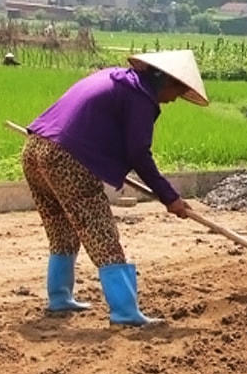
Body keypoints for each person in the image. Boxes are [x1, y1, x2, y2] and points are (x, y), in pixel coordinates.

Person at [22, 50, 208, 326]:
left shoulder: (115, 78)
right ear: (166, 82)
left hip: (35, 149)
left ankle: (59, 298)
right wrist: (170, 197)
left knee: (61, 228)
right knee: (102, 233)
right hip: (67, 159)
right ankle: (125, 311)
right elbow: (138, 154)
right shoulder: (140, 98)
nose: (172, 100)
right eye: (176, 93)